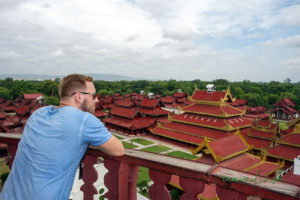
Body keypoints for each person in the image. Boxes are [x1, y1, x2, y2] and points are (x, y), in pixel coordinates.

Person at [0, 74, 124, 200]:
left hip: (9, 194)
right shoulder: (84, 120)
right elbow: (118, 149)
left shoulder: (38, 113)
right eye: (93, 95)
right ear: (79, 96)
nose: (97, 100)